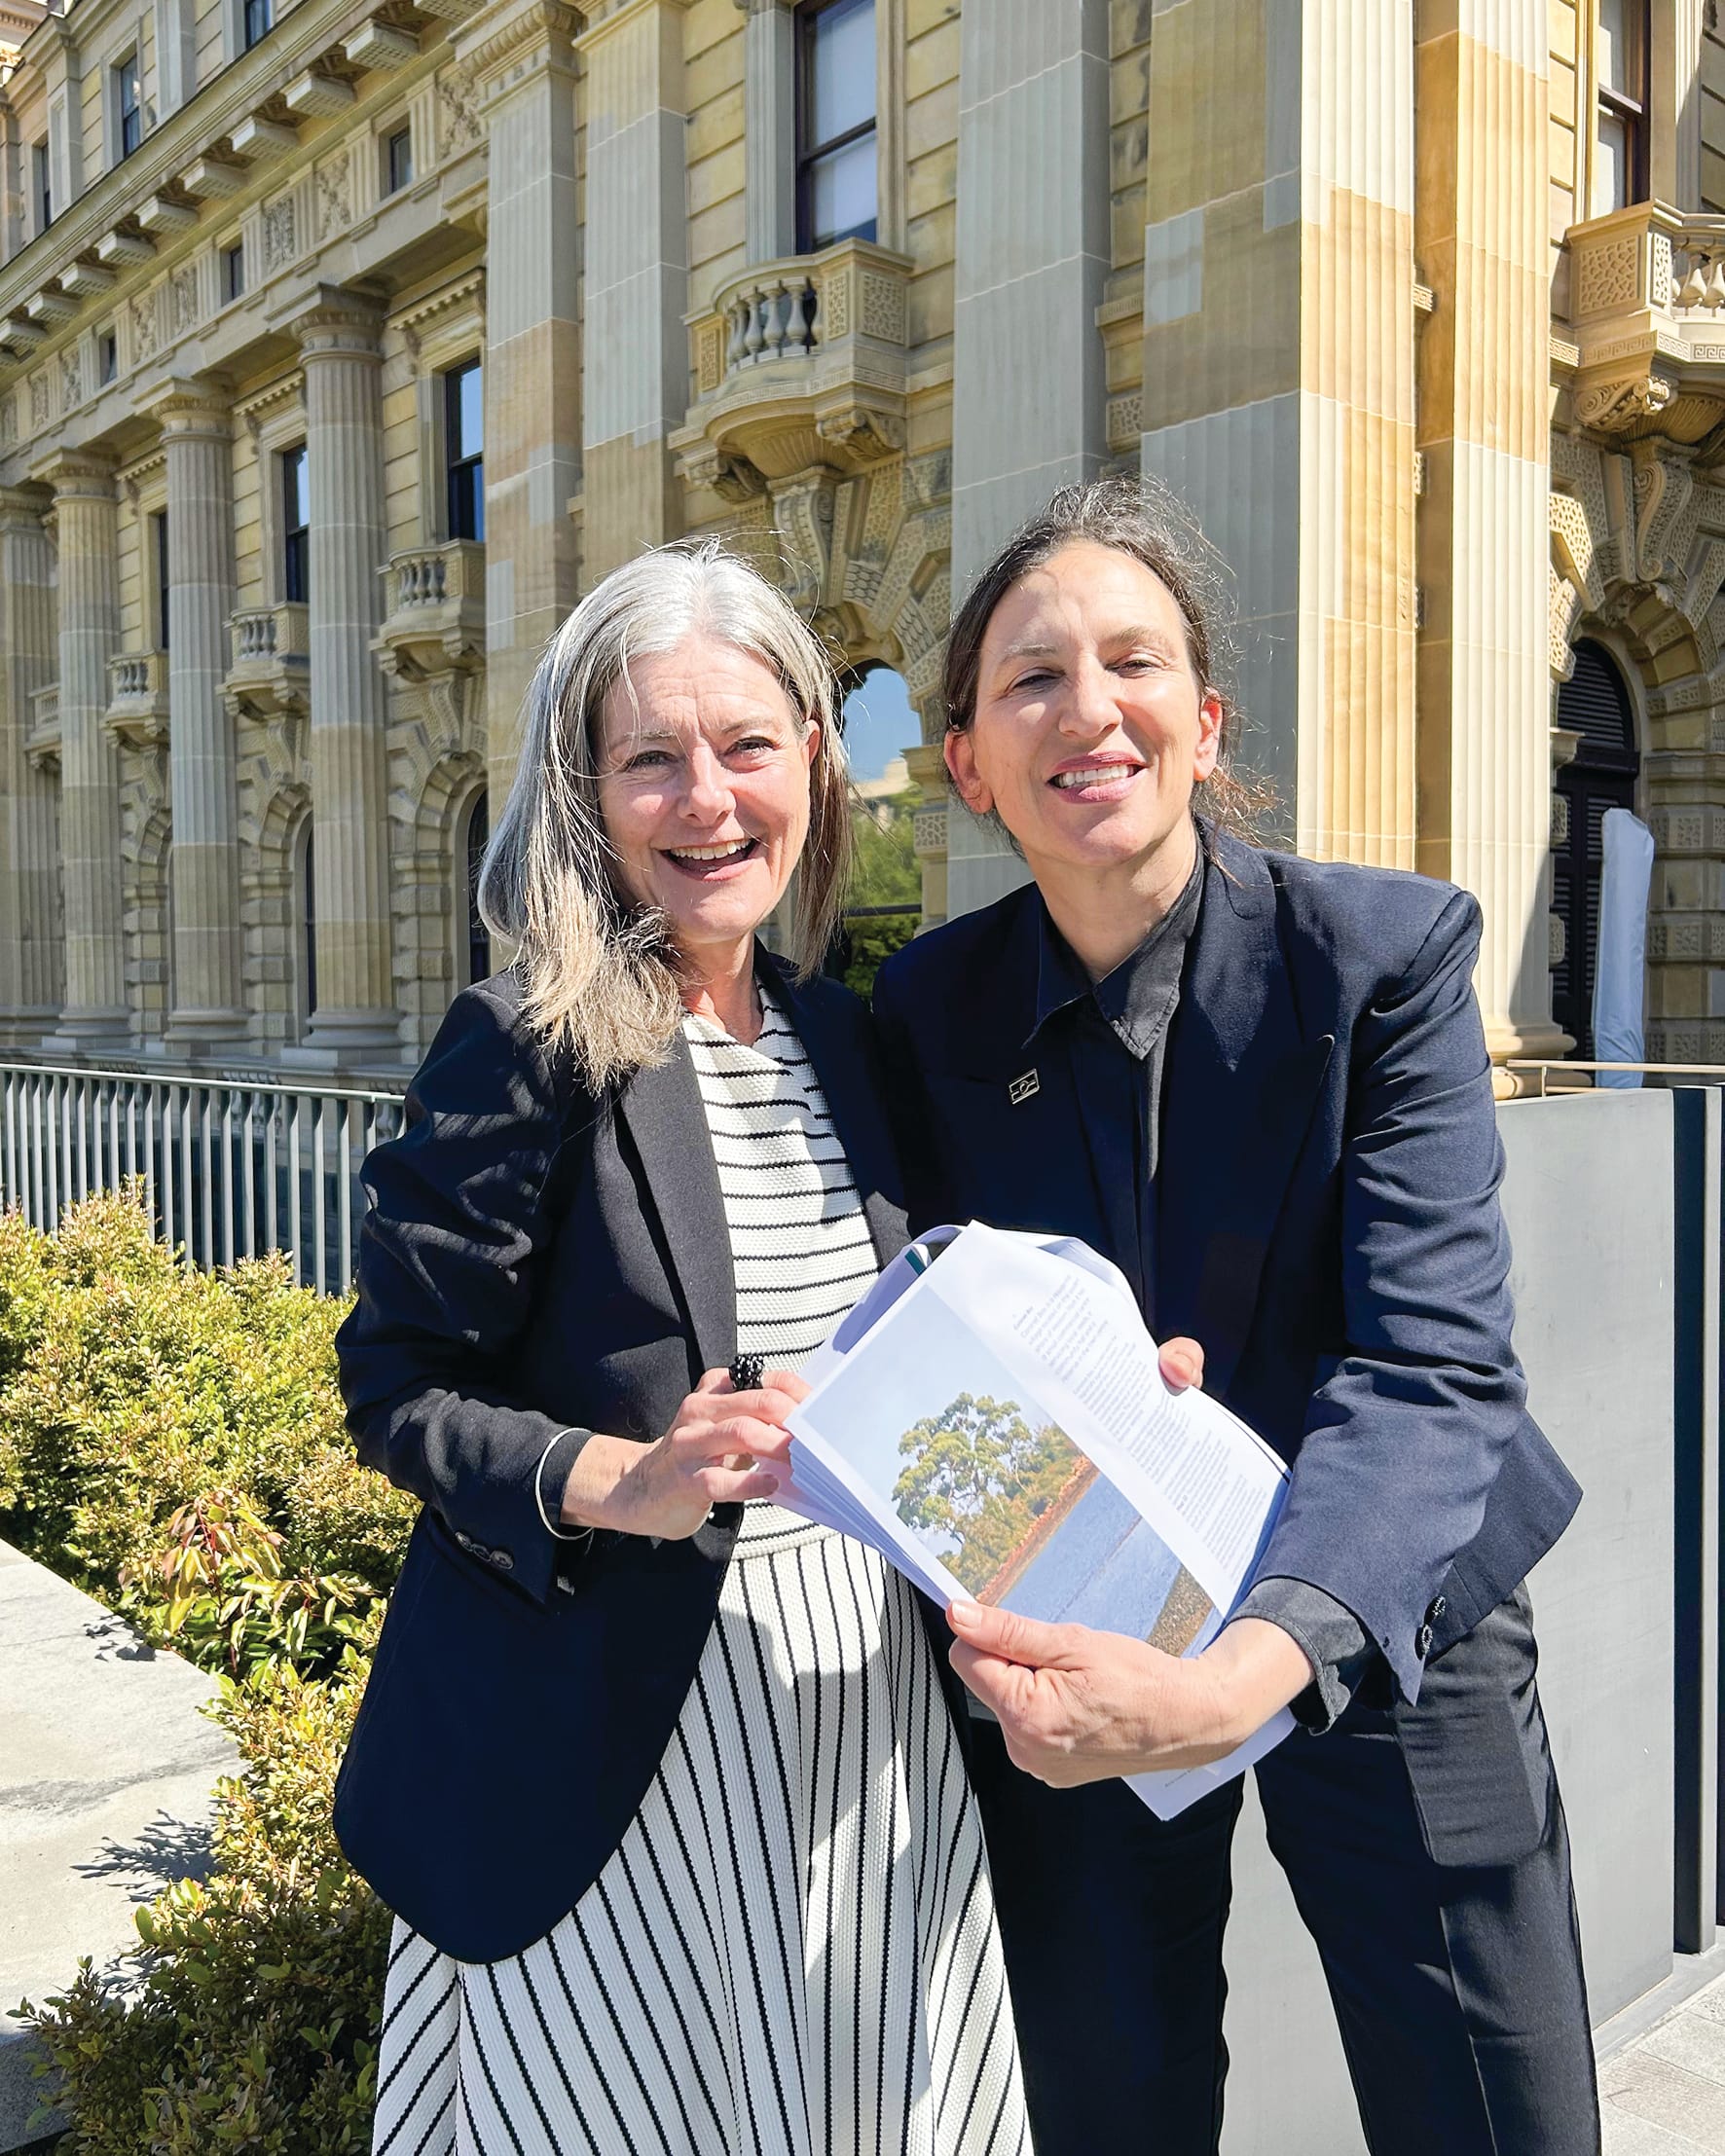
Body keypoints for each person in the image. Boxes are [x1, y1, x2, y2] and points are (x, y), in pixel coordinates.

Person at [873, 478, 1599, 2155]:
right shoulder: (923, 1006)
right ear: (970, 763)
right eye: (1030, 676)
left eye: (1133, 661)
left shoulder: (1389, 955)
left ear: (1204, 725)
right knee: (1113, 2103)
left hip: (1388, 1610)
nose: (1088, 705)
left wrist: (1245, 1679)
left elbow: (1434, 1374)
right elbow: (915, 1321)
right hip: (1090, 1619)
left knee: (1493, 2117)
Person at [333, 542, 1031, 2156]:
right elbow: (396, 1383)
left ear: (814, 764)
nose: (706, 800)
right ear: (589, 792)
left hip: (860, 1716)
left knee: (858, 2100)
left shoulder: (854, 1036)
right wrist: (609, 1475)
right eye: (651, 758)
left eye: (745, 748)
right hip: (625, 1733)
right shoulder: (525, 1040)